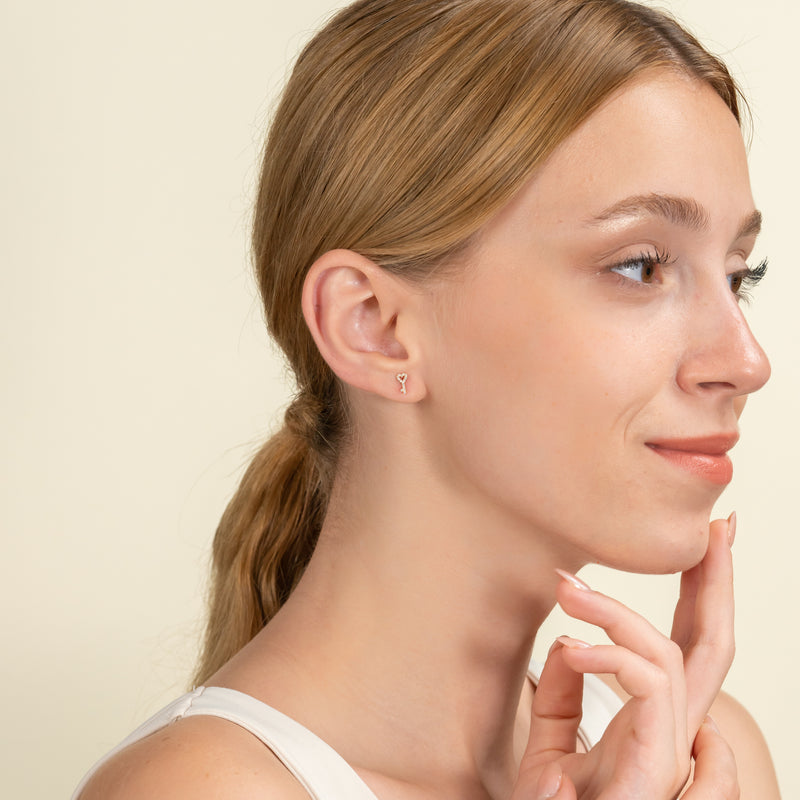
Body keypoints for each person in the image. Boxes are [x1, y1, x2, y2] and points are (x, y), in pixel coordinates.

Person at [73, 0, 781, 797]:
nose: (746, 362)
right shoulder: (198, 790)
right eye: (641, 265)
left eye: (738, 275)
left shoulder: (702, 763)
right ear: (373, 326)